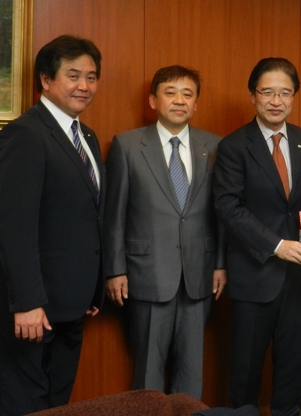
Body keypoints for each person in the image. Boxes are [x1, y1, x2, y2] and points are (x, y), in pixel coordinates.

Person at [104, 65, 226, 399]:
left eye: (188, 94)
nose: (179, 100)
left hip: (199, 275)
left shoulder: (215, 146)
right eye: (170, 92)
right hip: (146, 273)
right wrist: (115, 270)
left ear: (196, 104)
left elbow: (221, 214)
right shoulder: (127, 145)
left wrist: (220, 263)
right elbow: (114, 215)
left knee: (191, 371)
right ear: (153, 100)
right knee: (147, 372)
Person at [0, 35, 104, 415]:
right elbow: (14, 228)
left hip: (73, 302)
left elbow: (88, 217)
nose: (84, 86)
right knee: (24, 402)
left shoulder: (86, 136)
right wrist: (27, 302)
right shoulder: (25, 134)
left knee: (59, 402)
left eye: (92, 77)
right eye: (73, 75)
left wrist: (93, 287)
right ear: (45, 80)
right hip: (34, 307)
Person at [213, 57, 301, 415]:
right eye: (267, 92)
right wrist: (277, 246)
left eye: (285, 93)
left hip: (297, 278)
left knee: (292, 365)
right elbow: (229, 207)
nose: (276, 100)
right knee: (246, 369)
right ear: (253, 96)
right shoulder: (233, 146)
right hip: (254, 273)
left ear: (294, 97)